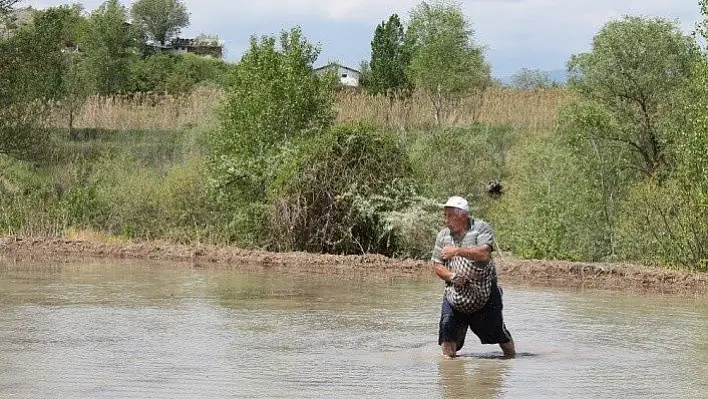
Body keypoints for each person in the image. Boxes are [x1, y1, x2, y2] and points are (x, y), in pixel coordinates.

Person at [431, 196, 515, 359]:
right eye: (445, 215)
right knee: (446, 332)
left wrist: (457, 251)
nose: (445, 219)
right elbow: (437, 265)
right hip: (455, 294)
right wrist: (452, 276)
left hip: (485, 292)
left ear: (462, 215)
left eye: (449, 215)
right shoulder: (443, 236)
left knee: (498, 332)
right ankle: (450, 374)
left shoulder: (480, 228)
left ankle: (511, 360)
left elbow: (484, 253)